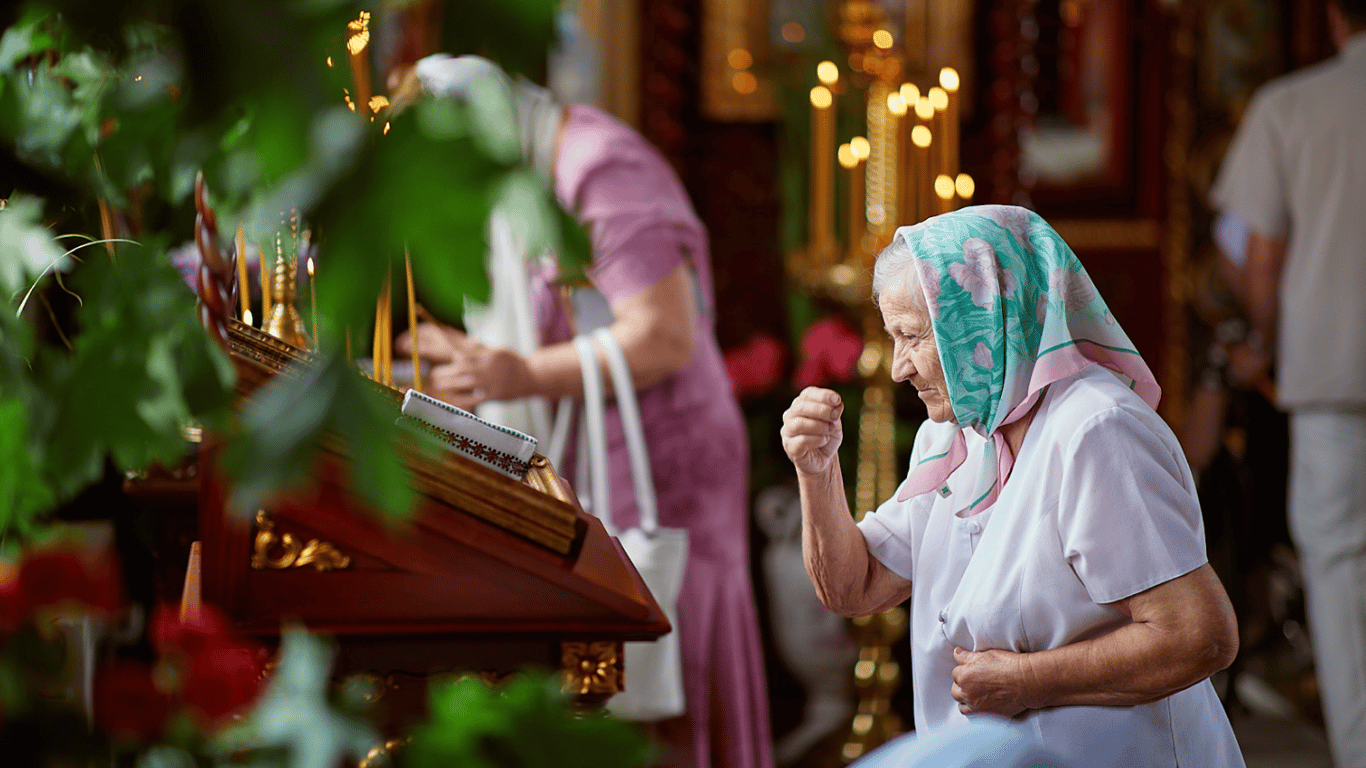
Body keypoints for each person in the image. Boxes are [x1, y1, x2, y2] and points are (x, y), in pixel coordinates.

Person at [392, 55, 773, 768]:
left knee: (660, 648)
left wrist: (516, 372)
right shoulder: (533, 155)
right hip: (593, 441)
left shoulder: (598, 169)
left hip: (661, 453)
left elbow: (664, 335)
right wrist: (483, 363)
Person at [780, 205, 1244, 767]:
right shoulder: (955, 436)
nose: (899, 368)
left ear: (980, 319)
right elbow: (857, 587)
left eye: (912, 337)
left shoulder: (1097, 431)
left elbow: (1199, 635)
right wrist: (817, 471)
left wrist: (1026, 680)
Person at [1211, 1, 1366, 763]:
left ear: (1336, 16)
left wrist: (1267, 342)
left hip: (1332, 373)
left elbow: (1258, 252)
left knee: (1339, 571)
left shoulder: (1291, 105)